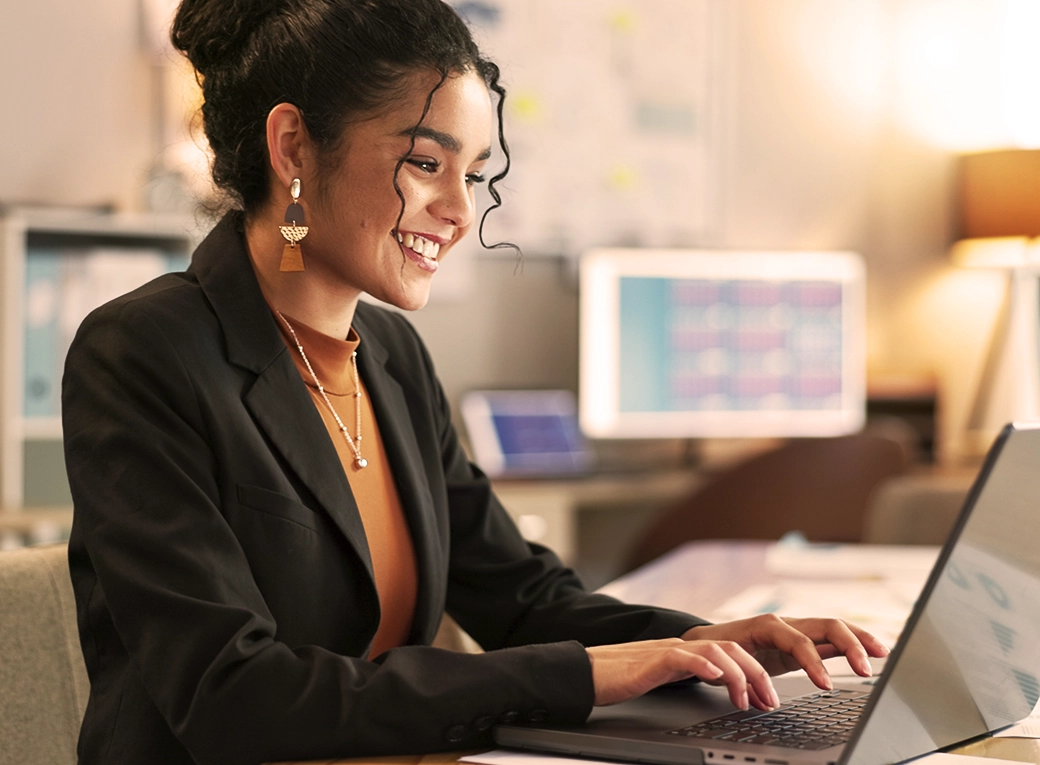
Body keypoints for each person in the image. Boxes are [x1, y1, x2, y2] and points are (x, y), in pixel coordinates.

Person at [61, 2, 888, 764]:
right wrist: (584, 674)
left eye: (476, 173)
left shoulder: (389, 355)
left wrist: (715, 642)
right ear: (293, 149)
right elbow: (233, 697)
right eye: (426, 162)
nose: (460, 209)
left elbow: (522, 598)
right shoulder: (143, 352)